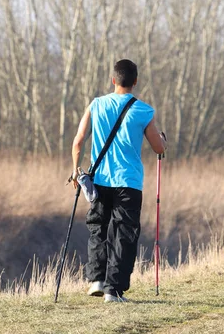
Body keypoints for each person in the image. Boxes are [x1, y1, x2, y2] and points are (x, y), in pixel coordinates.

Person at [71, 59, 167, 303]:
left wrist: (75, 170)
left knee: (98, 229)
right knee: (123, 234)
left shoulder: (96, 105)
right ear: (135, 82)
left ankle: (96, 280)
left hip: (100, 180)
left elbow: (79, 141)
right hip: (129, 182)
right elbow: (158, 148)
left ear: (113, 80)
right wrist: (164, 141)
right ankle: (113, 291)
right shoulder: (143, 111)